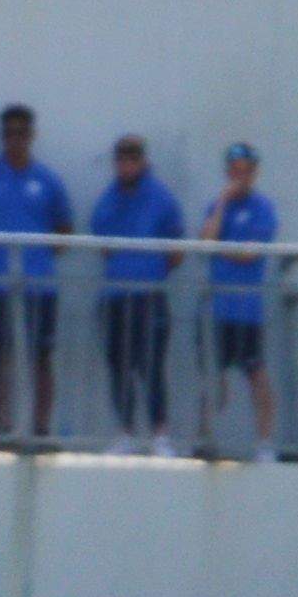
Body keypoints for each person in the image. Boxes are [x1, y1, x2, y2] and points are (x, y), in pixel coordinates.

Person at [0, 101, 74, 445]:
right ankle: (4, 429)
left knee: (41, 357)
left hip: (40, 286)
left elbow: (65, 230)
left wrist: (38, 256)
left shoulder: (47, 180)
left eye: (21, 133)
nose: (15, 140)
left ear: (32, 135)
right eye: (9, 134)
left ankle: (40, 429)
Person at [82, 132, 189, 449]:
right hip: (115, 298)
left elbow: (177, 249)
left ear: (143, 161)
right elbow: (102, 244)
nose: (126, 165)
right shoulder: (108, 199)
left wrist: (150, 271)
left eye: (132, 158)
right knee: (119, 366)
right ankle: (125, 433)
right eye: (121, 159)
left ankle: (160, 434)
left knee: (152, 366)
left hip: (149, 296)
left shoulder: (161, 197)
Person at [198, 142, 283, 451]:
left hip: (247, 310)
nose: (240, 178)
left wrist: (224, 248)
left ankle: (264, 443)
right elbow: (206, 241)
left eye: (245, 172)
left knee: (256, 375)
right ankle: (205, 440)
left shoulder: (264, 209)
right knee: (211, 377)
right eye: (234, 172)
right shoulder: (218, 206)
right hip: (217, 309)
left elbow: (250, 254)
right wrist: (222, 202)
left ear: (255, 173)